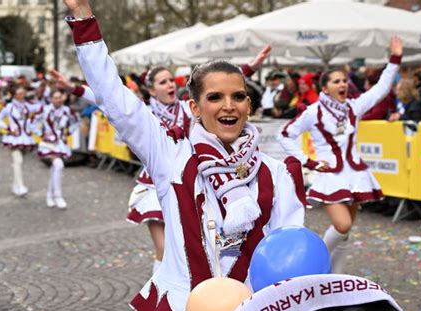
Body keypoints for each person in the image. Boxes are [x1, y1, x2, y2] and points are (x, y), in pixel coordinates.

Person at [63, 1, 306, 311]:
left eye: (238, 96)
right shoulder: (170, 155)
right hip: (181, 305)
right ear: (195, 108)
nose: (228, 106)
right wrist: (84, 20)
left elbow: (289, 256)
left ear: (249, 105)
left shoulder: (278, 174)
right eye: (215, 97)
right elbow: (116, 99)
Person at [50, 46, 271, 274]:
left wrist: (252, 66)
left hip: (191, 183)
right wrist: (73, 88)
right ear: (152, 91)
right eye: (163, 82)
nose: (170, 85)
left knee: (196, 249)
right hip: (155, 187)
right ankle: (161, 298)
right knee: (164, 249)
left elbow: (221, 87)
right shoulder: (145, 113)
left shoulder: (188, 109)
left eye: (170, 80)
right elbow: (108, 97)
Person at [278, 36, 403, 274]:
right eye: (336, 81)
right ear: (325, 88)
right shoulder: (313, 111)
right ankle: (315, 262)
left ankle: (335, 278)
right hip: (330, 175)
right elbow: (284, 135)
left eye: (344, 80)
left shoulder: (354, 107)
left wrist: (395, 58)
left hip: (355, 175)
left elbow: (382, 88)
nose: (342, 84)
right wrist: (309, 161)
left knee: (345, 234)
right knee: (342, 225)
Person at [33, 90, 79, 208]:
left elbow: (76, 122)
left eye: (60, 97)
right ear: (51, 99)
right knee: (58, 165)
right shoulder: (44, 109)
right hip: (48, 144)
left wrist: (68, 132)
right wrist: (41, 133)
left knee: (55, 168)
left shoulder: (67, 110)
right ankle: (58, 196)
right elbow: (31, 121)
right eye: (55, 97)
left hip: (61, 143)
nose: (58, 100)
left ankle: (49, 194)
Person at [0, 87, 42, 196]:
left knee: (19, 162)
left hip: (26, 138)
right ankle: (20, 186)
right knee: (18, 161)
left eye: (23, 93)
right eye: (19, 93)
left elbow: (41, 109)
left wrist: (37, 98)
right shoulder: (9, 107)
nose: (22, 95)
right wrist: (8, 128)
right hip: (14, 138)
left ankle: (15, 186)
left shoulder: (27, 106)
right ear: (14, 95)